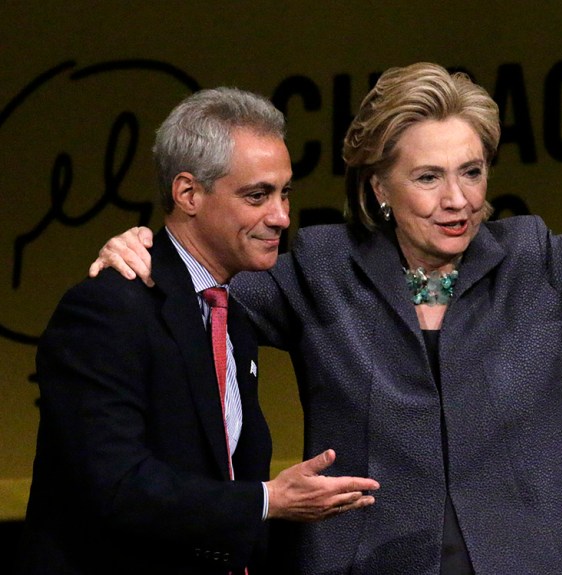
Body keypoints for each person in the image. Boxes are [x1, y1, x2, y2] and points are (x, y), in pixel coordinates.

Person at [88, 38, 562, 574]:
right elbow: (200, 291)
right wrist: (143, 246)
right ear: (380, 186)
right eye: (428, 177)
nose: (458, 198)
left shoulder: (531, 258)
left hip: (541, 556)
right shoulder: (323, 269)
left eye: (471, 172)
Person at [15, 87, 379, 575]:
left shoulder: (232, 313)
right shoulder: (107, 308)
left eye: (285, 192)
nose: (281, 217)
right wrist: (267, 501)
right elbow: (114, 485)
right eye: (257, 195)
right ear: (188, 194)